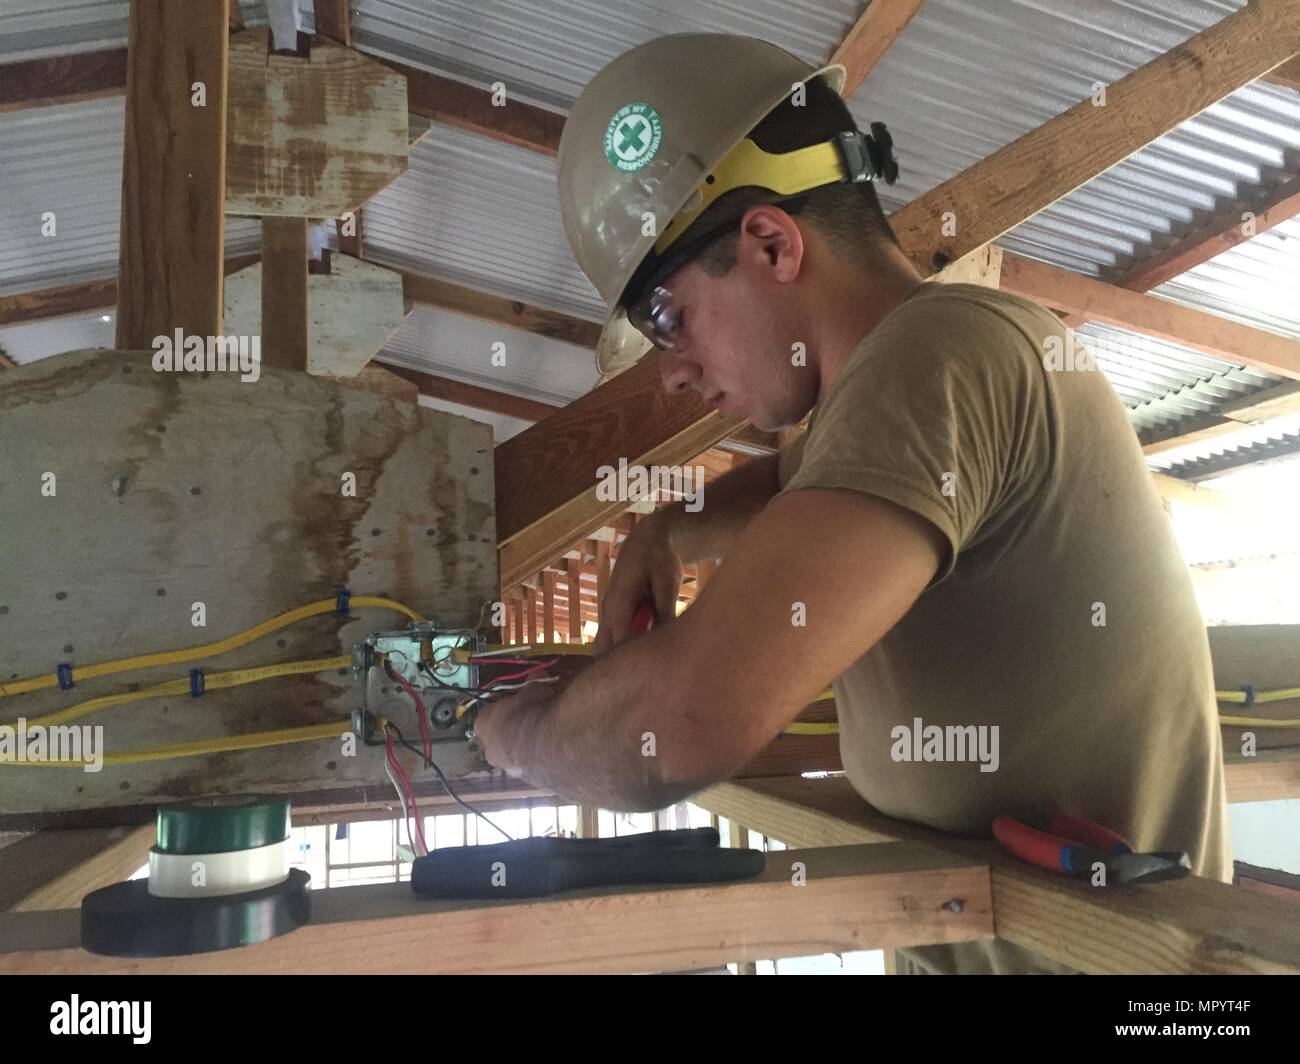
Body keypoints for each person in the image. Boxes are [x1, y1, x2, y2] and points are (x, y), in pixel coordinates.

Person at [474, 34, 1230, 973]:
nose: (670, 375)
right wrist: (671, 528)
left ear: (771, 243)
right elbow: (803, 481)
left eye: (667, 318)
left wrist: (505, 732)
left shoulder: (939, 359)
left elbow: (679, 727)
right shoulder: (895, 395)